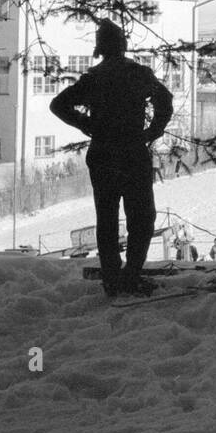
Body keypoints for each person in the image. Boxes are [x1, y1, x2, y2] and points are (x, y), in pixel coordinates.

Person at [50, 19, 173, 297]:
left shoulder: (94, 78)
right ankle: (130, 276)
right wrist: (152, 131)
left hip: (103, 152)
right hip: (131, 152)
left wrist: (87, 125)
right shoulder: (138, 74)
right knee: (141, 218)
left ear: (100, 47)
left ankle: (112, 280)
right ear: (123, 44)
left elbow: (58, 104)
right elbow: (165, 101)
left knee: (106, 219)